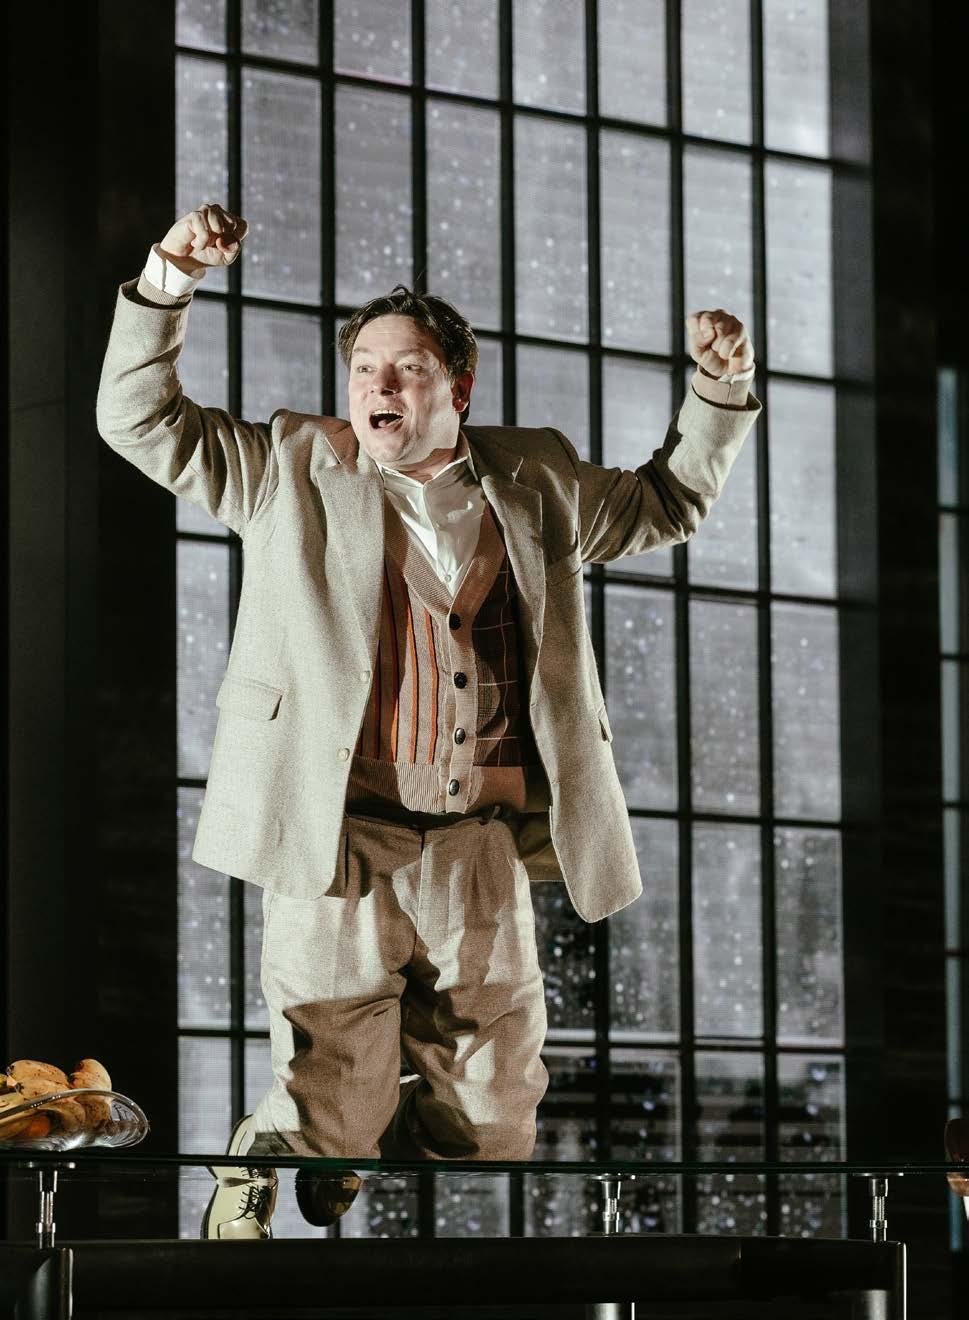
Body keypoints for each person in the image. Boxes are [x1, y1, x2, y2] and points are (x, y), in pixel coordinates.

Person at [97, 203, 761, 1240]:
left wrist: (717, 392)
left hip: (478, 843)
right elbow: (140, 421)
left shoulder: (537, 478)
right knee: (328, 1084)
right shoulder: (289, 467)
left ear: (459, 387)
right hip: (341, 838)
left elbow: (663, 503)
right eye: (364, 369)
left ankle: (378, 1163)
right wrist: (169, 280)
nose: (379, 387)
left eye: (405, 370)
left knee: (495, 1110)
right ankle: (291, 1153)